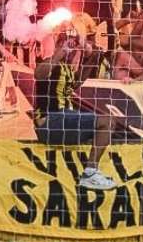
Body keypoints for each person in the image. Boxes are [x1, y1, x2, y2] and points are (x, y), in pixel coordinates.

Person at [34, 29, 122, 191]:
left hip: (65, 121)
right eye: (68, 44)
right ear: (59, 45)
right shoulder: (50, 63)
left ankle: (89, 173)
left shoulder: (70, 70)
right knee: (106, 122)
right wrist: (59, 54)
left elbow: (89, 65)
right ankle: (90, 173)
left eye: (73, 46)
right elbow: (38, 74)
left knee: (105, 127)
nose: (72, 49)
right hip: (49, 121)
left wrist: (84, 48)